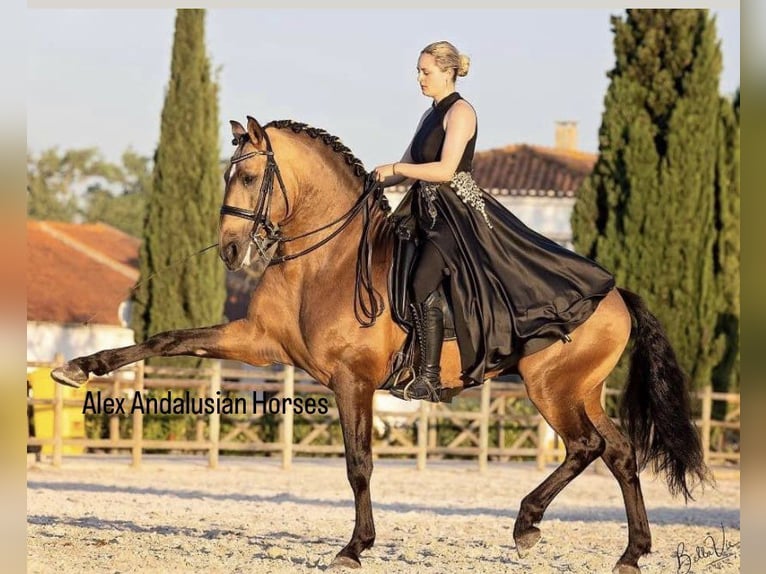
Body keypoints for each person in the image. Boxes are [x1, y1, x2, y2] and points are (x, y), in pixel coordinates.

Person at [374, 41, 615, 402]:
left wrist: (398, 169)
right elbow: (407, 163)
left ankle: (430, 376)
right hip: (424, 211)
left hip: (456, 217)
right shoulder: (430, 115)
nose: (419, 78)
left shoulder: (461, 113)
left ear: (447, 72)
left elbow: (444, 169)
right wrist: (369, 181)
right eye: (419, 71)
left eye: (426, 71)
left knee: (422, 281)